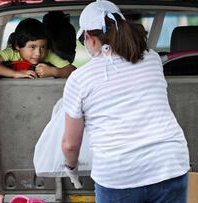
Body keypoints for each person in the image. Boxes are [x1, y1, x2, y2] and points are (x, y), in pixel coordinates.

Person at [61, 1, 190, 203]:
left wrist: (71, 168)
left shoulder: (79, 79)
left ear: (88, 38)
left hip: (118, 174)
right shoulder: (152, 59)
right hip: (168, 163)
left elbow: (70, 145)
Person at [0, 18, 74, 79]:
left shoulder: (48, 54)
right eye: (32, 47)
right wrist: (15, 73)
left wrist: (54, 71)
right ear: (17, 45)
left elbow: (73, 71)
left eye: (43, 47)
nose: (38, 53)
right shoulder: (12, 52)